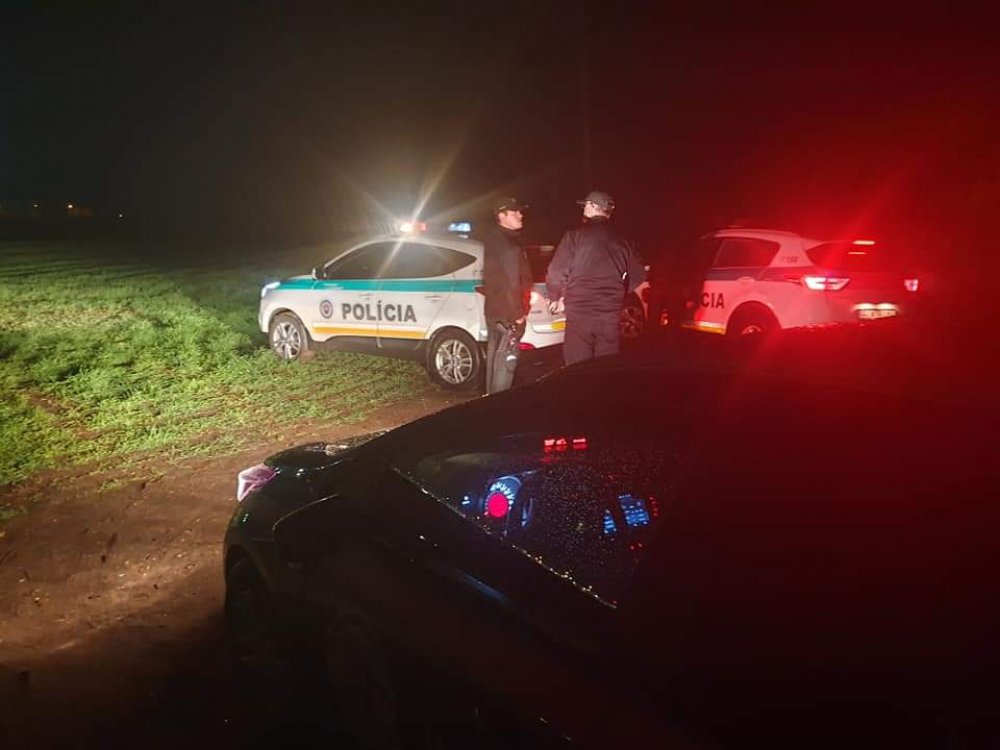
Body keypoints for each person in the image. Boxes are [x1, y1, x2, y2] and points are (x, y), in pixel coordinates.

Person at [545, 190, 646, 365]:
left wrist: (555, 297)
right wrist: (619, 292)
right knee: (606, 364)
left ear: (592, 206)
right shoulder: (622, 240)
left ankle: (581, 383)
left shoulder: (575, 235)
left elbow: (556, 270)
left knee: (577, 364)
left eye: (585, 205)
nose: (584, 208)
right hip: (609, 311)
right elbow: (639, 274)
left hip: (580, 311)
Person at [483, 197, 533, 394]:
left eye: (520, 211)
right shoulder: (507, 243)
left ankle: (490, 402)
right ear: (502, 216)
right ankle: (499, 407)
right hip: (508, 316)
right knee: (506, 365)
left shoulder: (495, 238)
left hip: (497, 313)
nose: (520, 215)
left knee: (496, 362)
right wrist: (518, 314)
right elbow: (511, 281)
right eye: (515, 212)